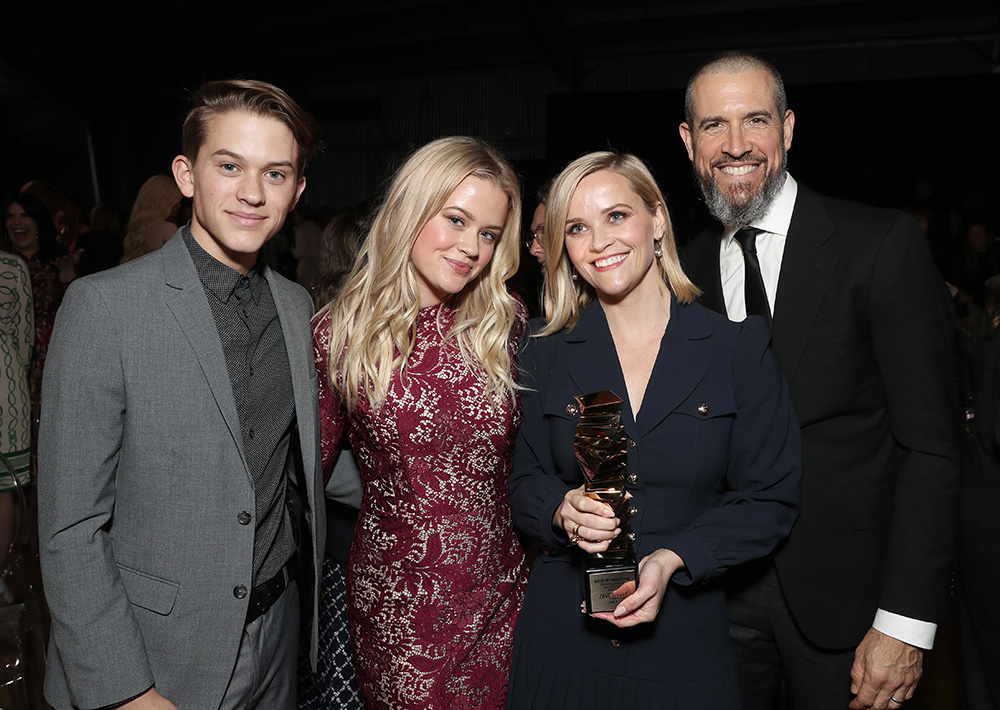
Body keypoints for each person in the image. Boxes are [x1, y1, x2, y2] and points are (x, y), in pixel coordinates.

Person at [38, 78, 357, 710]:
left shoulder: (295, 307)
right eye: (229, 166)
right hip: (158, 656)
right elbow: (71, 528)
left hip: (280, 637)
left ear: (297, 192)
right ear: (187, 175)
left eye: (275, 173)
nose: (251, 192)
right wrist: (128, 691)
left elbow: (297, 458)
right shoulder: (105, 306)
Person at [679, 51, 961, 710]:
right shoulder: (684, 272)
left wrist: (905, 623)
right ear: (690, 143)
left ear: (789, 129)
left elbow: (933, 446)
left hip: (852, 611)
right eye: (715, 126)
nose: (737, 144)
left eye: (756, 120)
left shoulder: (879, 245)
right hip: (718, 601)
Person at [507, 151, 801, 709]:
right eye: (577, 227)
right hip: (562, 642)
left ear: (658, 219)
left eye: (617, 216)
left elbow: (770, 498)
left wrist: (676, 558)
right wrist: (560, 507)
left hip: (684, 648)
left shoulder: (735, 349)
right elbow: (521, 482)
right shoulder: (542, 350)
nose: (600, 242)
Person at [313, 135, 528, 709]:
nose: (471, 249)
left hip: (507, 596)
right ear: (411, 210)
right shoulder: (340, 334)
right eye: (456, 220)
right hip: (398, 608)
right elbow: (301, 480)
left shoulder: (507, 326)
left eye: (488, 233)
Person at [2, 191, 74, 458]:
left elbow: (72, 314)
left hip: (51, 355)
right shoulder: (3, 264)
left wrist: (68, 277)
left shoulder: (57, 261)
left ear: (38, 222)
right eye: (10, 216)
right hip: (12, 357)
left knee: (50, 432)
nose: (16, 222)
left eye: (24, 215)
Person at [0, 249, 32, 564]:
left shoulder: (12, 266)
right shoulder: (11, 266)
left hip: (5, 383)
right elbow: (24, 339)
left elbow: (26, 339)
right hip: (6, 377)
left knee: (2, 485)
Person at [120, 174, 184, 263]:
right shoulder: (166, 228)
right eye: (176, 202)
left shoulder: (138, 227)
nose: (179, 206)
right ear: (166, 202)